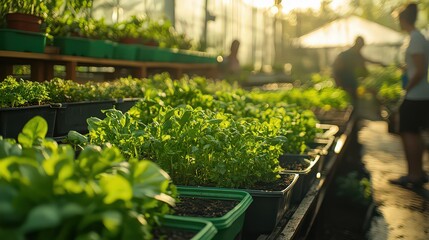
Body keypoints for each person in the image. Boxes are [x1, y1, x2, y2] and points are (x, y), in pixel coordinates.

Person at [389, 3, 429, 187]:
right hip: (419, 94)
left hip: (415, 95)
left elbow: (420, 70)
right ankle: (418, 172)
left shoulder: (415, 38)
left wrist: (407, 88)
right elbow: (416, 67)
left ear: (403, 19)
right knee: (414, 133)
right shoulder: (417, 37)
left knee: (408, 133)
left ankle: (413, 175)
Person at [332, 36, 385, 104]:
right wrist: (337, 81)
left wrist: (379, 63)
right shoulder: (345, 55)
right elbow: (336, 69)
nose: (361, 48)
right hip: (345, 82)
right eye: (361, 45)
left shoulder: (356, 54)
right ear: (357, 44)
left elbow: (365, 60)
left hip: (352, 81)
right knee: (349, 101)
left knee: (354, 101)